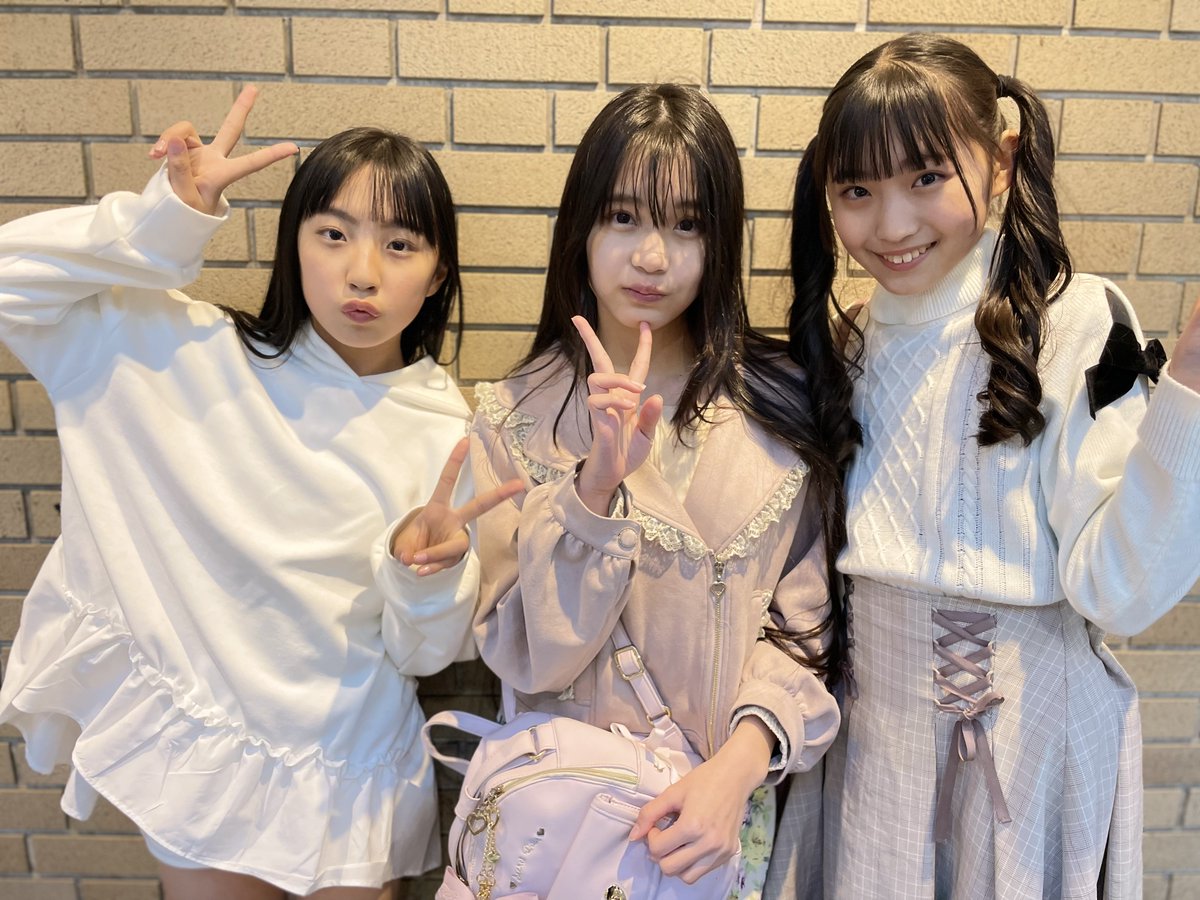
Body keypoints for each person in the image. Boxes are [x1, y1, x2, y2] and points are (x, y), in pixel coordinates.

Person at [0, 88, 520, 899]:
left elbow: (422, 655)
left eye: (400, 244)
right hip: (206, 753)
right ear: (293, 243)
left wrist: (422, 574)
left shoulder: (446, 431)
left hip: (350, 769)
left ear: (437, 272)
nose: (362, 272)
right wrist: (162, 224)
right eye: (333, 234)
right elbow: (12, 283)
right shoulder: (189, 353)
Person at [771, 33, 1200, 900]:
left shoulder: (1075, 321)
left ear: (1000, 161)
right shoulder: (847, 342)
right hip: (873, 748)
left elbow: (1121, 589)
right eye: (857, 190)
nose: (892, 225)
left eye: (927, 177)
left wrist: (1188, 393)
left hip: (1029, 753)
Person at [467, 83, 856, 897]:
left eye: (687, 224)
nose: (652, 256)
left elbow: (808, 621)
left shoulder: (781, 403)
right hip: (566, 836)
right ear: (580, 229)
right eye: (622, 217)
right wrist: (593, 486)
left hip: (718, 830)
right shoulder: (515, 419)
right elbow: (526, 653)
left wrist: (736, 770)